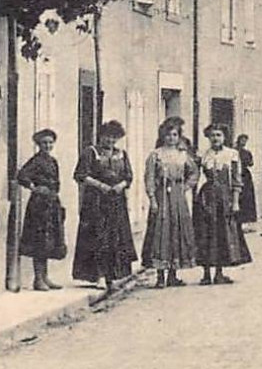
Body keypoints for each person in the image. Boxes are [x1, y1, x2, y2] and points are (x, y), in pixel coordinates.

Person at [72, 119, 136, 293]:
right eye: (107, 137)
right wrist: (101, 186)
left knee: (114, 238)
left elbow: (129, 176)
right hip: (96, 202)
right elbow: (80, 174)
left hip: (116, 201)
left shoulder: (122, 154)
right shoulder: (91, 152)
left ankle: (112, 276)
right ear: (100, 136)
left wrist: (120, 186)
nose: (110, 141)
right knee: (97, 236)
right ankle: (97, 276)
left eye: (113, 138)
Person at [141, 117, 197, 289]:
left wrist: (186, 187)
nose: (171, 138)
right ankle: (159, 275)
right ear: (162, 136)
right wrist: (152, 199)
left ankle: (173, 274)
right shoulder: (155, 155)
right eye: (168, 135)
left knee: (176, 231)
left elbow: (194, 173)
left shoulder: (183, 155)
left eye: (174, 135)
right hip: (161, 196)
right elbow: (149, 178)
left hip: (178, 198)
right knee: (160, 232)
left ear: (178, 137)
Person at [193, 124, 252, 284]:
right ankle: (206, 274)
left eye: (218, 135)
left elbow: (236, 180)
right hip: (206, 198)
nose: (215, 138)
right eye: (212, 135)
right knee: (205, 234)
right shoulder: (204, 155)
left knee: (222, 235)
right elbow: (196, 177)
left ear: (224, 137)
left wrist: (235, 202)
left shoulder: (232, 155)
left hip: (224, 199)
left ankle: (219, 273)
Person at [15, 128, 67, 291]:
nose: (48, 145)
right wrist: (34, 187)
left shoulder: (53, 161)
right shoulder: (36, 161)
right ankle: (38, 279)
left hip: (51, 204)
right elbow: (22, 176)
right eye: (44, 143)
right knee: (39, 241)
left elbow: (57, 183)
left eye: (50, 142)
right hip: (38, 206)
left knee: (49, 241)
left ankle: (45, 277)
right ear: (38, 144)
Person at [234, 132, 259, 227]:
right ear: (238, 140)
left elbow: (251, 163)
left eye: (245, 141)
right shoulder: (233, 151)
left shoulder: (247, 152)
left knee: (247, 197)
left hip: (245, 176)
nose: (244, 142)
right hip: (237, 174)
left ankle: (246, 219)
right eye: (242, 140)